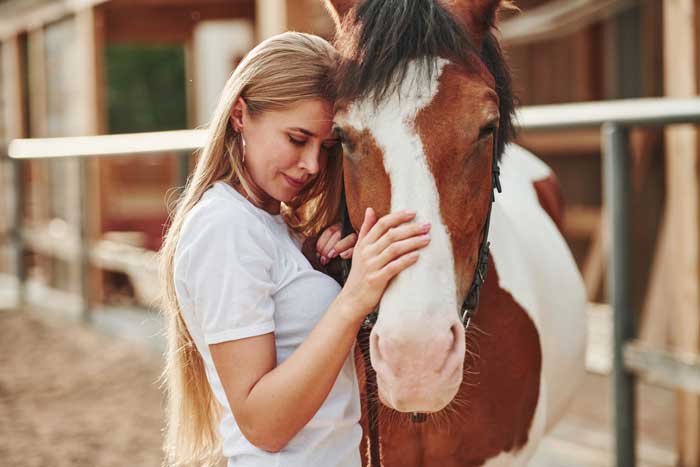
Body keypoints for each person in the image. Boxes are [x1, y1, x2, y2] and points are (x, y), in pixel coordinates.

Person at [159, 32, 431, 467]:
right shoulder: (224, 228)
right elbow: (264, 426)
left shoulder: (275, 228)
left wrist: (330, 279)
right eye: (296, 138)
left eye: (326, 147)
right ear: (239, 115)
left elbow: (339, 393)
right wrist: (353, 297)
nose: (312, 165)